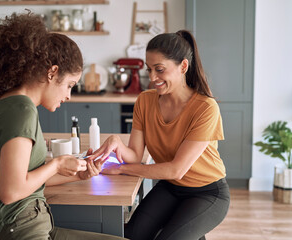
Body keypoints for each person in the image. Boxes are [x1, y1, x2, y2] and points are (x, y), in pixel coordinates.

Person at [0, 12, 126, 240]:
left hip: (28, 226)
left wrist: (78, 175)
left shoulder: (12, 104)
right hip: (16, 231)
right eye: (70, 85)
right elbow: (10, 191)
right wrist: (57, 164)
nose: (69, 96)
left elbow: (28, 179)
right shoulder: (21, 111)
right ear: (52, 72)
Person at [91, 30, 230, 240]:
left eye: (160, 69)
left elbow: (176, 169)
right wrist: (117, 142)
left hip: (207, 192)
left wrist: (121, 170)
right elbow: (136, 154)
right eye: (149, 69)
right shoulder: (145, 101)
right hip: (170, 188)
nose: (153, 77)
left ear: (183, 66)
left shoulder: (205, 108)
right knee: (131, 235)